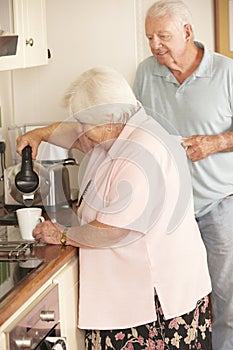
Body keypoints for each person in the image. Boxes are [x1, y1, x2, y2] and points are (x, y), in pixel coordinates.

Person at [17, 66, 212, 349]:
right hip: (137, 298)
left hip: (153, 309)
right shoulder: (120, 130)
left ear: (108, 118)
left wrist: (59, 234)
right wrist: (40, 134)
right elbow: (74, 133)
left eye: (84, 124)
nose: (79, 132)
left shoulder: (142, 152)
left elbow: (113, 232)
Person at [133, 1, 233, 349]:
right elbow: (136, 130)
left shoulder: (226, 72)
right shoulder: (146, 73)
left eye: (163, 35)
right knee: (175, 300)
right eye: (150, 37)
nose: (155, 45)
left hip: (219, 206)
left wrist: (215, 142)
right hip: (168, 212)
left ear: (188, 32)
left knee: (226, 301)